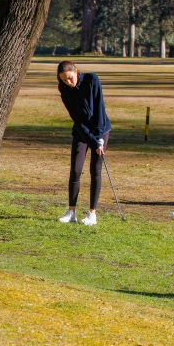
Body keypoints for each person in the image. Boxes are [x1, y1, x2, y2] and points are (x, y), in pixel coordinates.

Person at [56, 60, 111, 226]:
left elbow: (99, 108)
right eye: (64, 80)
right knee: (75, 169)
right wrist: (92, 141)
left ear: (76, 71)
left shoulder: (92, 80)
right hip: (82, 132)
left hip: (101, 129)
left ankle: (92, 214)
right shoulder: (65, 92)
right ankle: (71, 212)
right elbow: (78, 121)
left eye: (70, 78)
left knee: (95, 169)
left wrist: (98, 138)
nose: (68, 82)